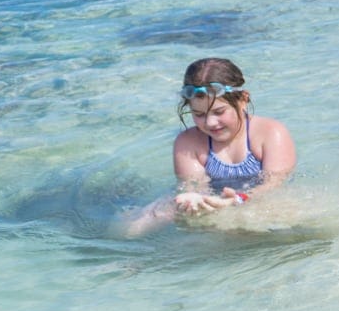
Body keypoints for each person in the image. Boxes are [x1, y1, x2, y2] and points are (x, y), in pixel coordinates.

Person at [121, 58, 298, 236]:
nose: (210, 123)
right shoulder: (188, 142)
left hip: (260, 199)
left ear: (243, 100)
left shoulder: (270, 133)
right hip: (214, 199)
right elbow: (194, 187)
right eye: (199, 114)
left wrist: (237, 199)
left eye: (219, 112)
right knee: (131, 230)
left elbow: (273, 185)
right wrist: (197, 202)